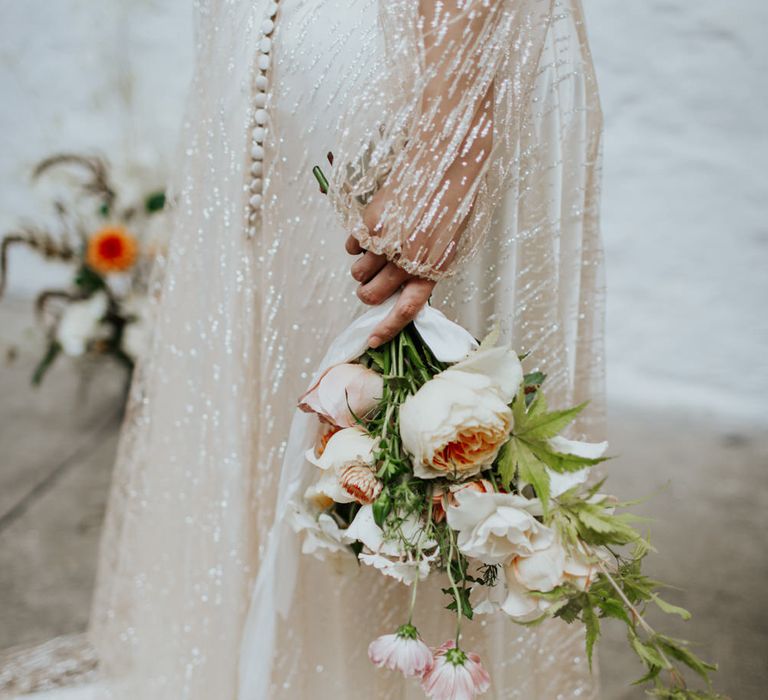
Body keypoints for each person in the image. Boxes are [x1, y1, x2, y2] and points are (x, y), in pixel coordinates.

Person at [14, 0, 607, 697]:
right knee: (283, 386)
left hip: (422, 59)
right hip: (283, 49)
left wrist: (452, 135)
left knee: (405, 425)